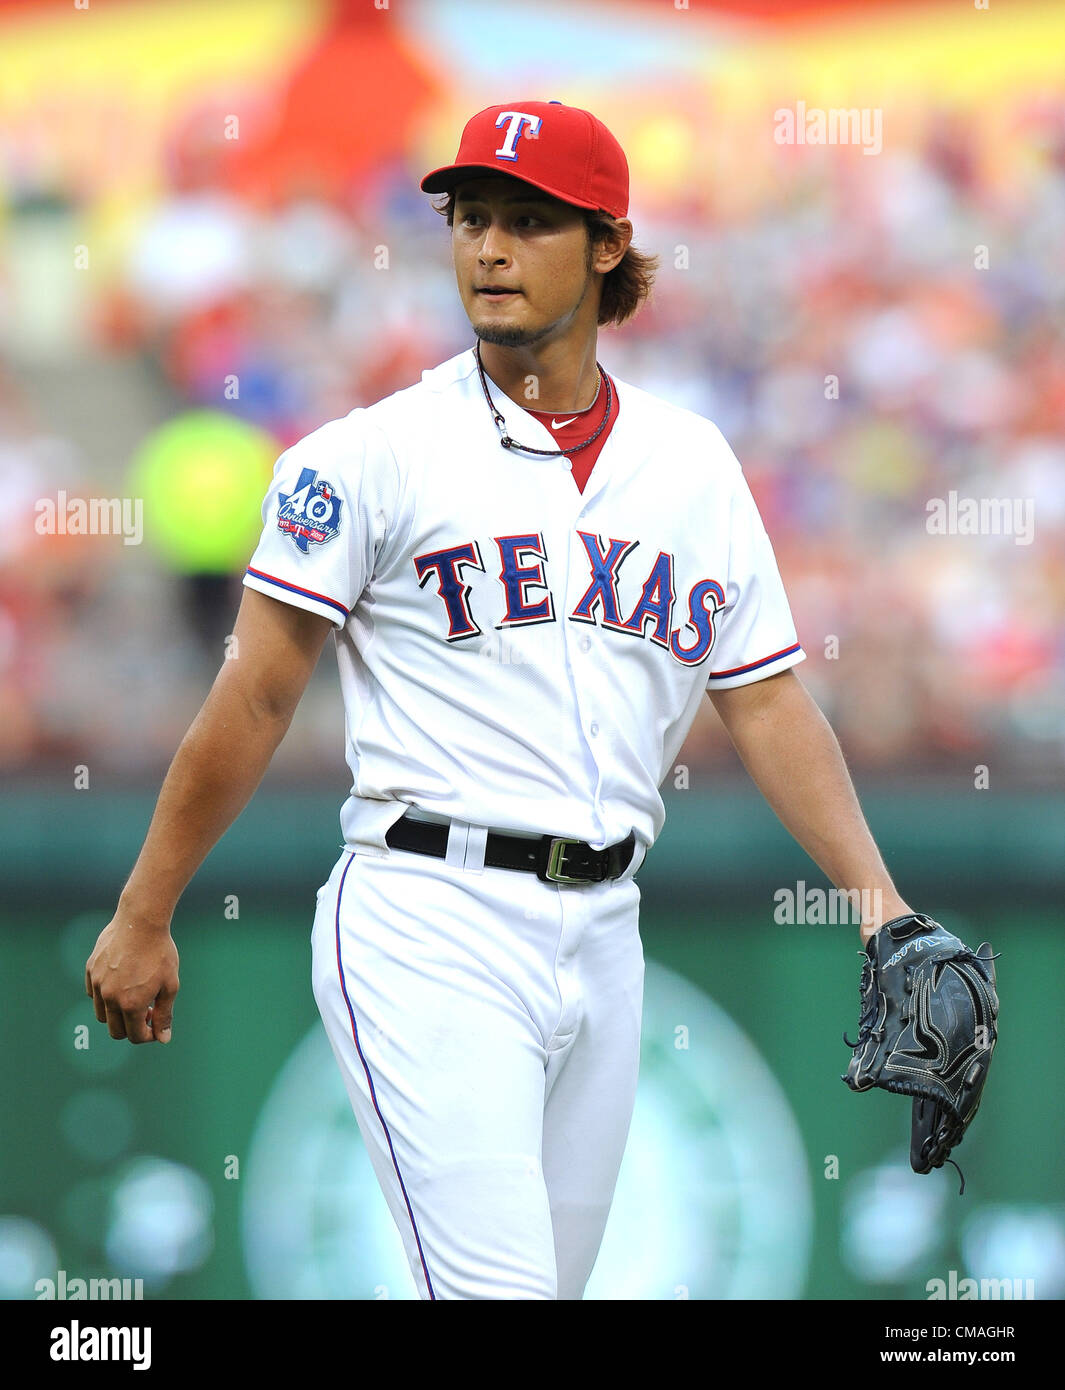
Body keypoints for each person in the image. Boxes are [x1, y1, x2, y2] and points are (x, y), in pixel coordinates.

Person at [86, 100, 914, 1300]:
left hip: (606, 927)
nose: (488, 248)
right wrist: (146, 907)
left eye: (530, 223)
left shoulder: (691, 466)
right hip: (429, 916)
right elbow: (257, 694)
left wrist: (878, 902)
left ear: (609, 245)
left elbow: (768, 701)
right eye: (473, 218)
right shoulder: (370, 456)